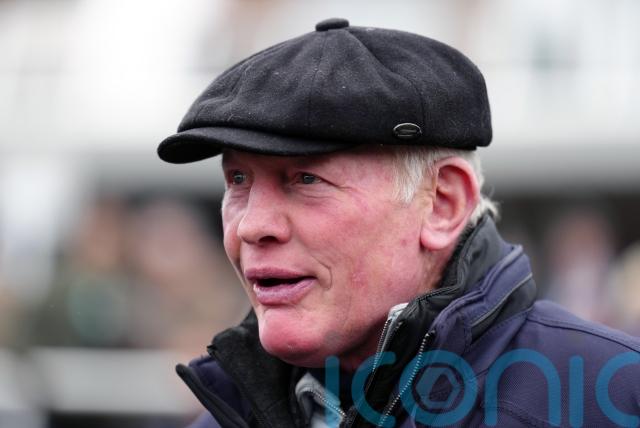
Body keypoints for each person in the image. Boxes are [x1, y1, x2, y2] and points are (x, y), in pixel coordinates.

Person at [158, 18, 640, 428]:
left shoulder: (612, 396)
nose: (251, 226)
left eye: (305, 179)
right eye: (238, 179)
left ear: (443, 204)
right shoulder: (222, 418)